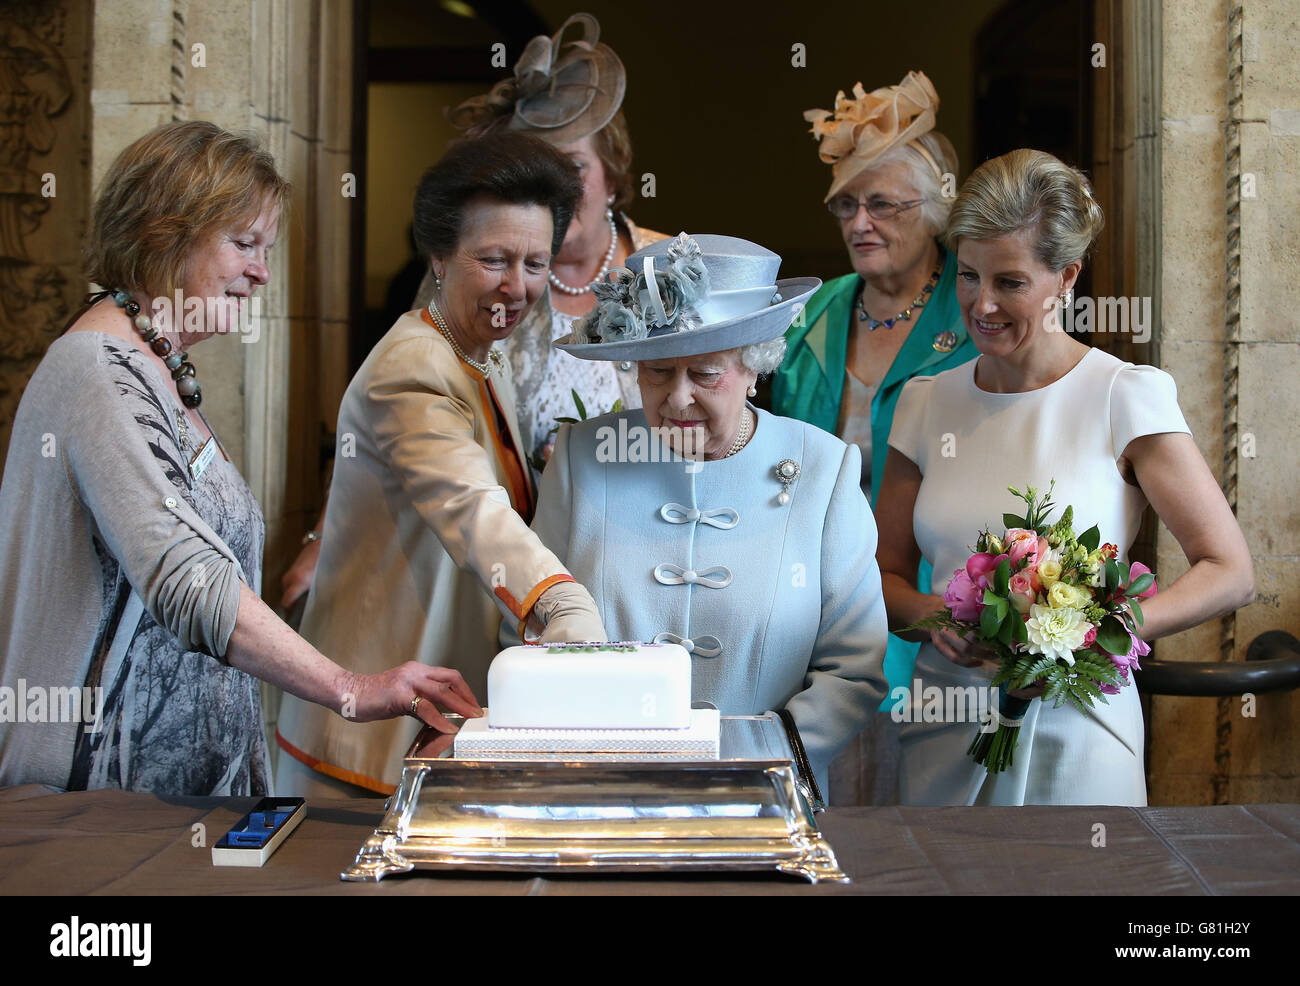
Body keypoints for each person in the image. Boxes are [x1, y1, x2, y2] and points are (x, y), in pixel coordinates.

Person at [0, 121, 480, 796]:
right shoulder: (95, 370)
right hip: (97, 805)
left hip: (180, 808)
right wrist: (347, 687)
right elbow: (186, 578)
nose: (261, 272)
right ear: (166, 230)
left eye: (267, 248)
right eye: (244, 244)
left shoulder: (157, 369)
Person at [876, 149, 1255, 806]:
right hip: (944, 727)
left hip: (1076, 737)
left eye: (1010, 282)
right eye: (967, 275)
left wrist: (1094, 633)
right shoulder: (924, 401)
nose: (982, 303)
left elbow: (1230, 570)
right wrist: (936, 615)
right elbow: (881, 577)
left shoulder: (1123, 396)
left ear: (1066, 277)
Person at [279, 12, 668, 613]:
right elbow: (414, 425)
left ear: (614, 174)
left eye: (570, 168)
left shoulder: (665, 271)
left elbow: (712, 414)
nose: (546, 191)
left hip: (636, 557)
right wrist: (320, 536)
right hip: (498, 573)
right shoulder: (468, 297)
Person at [274, 132, 608, 798]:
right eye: (494, 260)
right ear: (438, 255)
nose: (517, 287)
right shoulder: (412, 367)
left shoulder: (484, 350)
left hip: (435, 721)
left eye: (537, 264)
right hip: (366, 746)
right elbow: (472, 507)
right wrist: (562, 604)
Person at [521, 232, 890, 794]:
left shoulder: (823, 469)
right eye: (658, 372)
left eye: (706, 373)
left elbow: (854, 666)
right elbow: (529, 624)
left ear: (753, 364)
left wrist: (760, 762)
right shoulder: (583, 458)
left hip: (763, 793)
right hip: (603, 789)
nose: (677, 399)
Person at [771, 70, 979, 803]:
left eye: (883, 204)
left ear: (938, 208)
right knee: (816, 793)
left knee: (907, 811)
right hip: (808, 594)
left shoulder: (977, 317)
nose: (861, 223)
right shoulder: (812, 315)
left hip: (929, 601)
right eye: (847, 205)